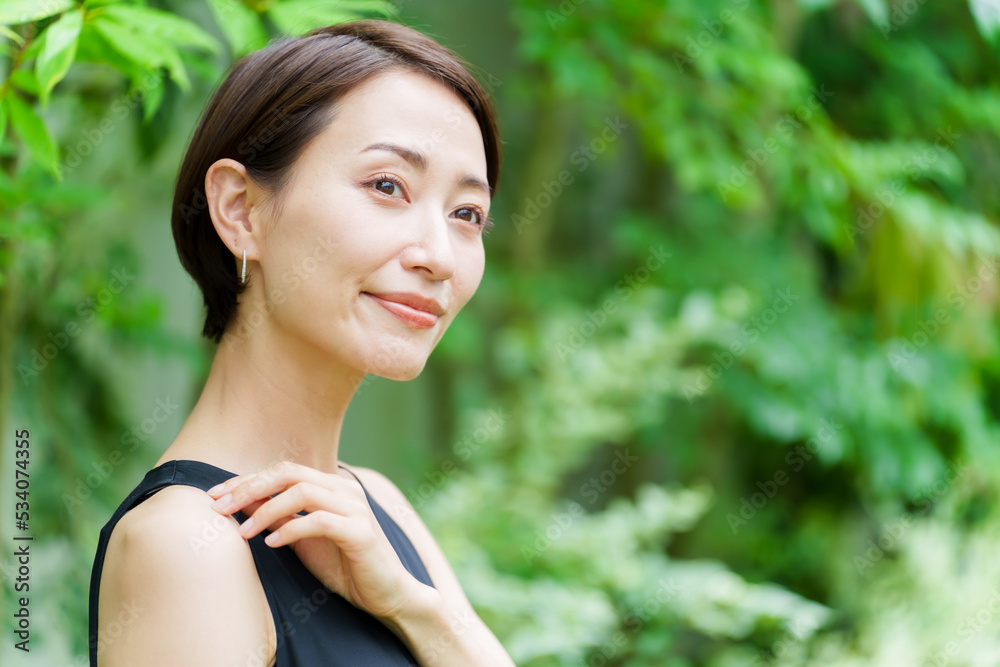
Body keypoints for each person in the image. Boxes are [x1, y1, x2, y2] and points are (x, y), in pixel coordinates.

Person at [87, 18, 514, 666]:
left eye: (466, 214)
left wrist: (417, 607)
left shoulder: (374, 507)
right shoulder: (185, 545)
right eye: (387, 186)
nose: (439, 257)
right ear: (240, 209)